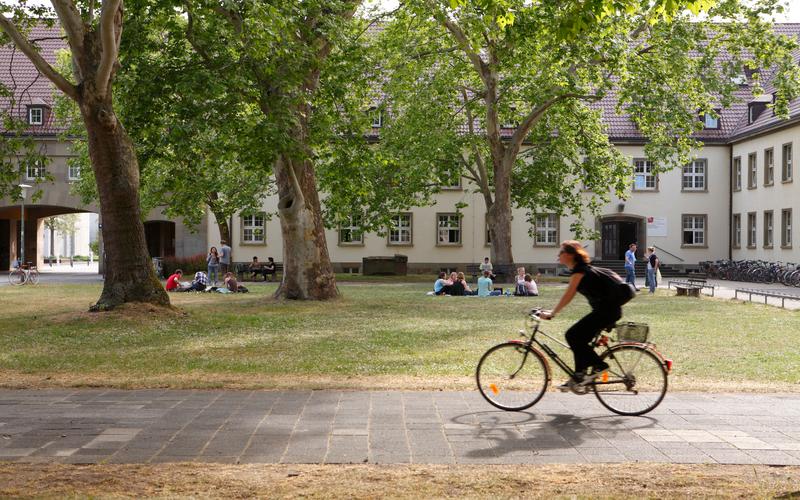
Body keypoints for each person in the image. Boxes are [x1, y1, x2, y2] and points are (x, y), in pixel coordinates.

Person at [540, 240, 627, 389]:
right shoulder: (581, 269)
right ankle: (579, 376)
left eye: (561, 252)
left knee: (572, 336)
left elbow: (569, 294)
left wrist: (552, 313)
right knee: (578, 339)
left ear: (569, 255)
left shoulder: (580, 271)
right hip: (606, 311)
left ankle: (600, 366)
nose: (558, 255)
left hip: (606, 312)